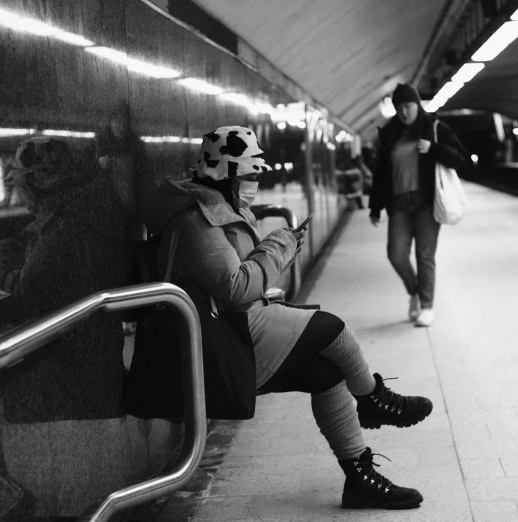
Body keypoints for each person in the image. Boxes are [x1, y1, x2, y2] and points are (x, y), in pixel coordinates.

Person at [145, 126, 434, 510]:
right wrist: (279, 245)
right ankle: (375, 399)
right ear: (225, 174)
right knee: (332, 329)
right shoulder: (196, 222)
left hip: (235, 331)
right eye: (248, 176)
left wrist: (279, 249)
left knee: (326, 374)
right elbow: (235, 287)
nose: (254, 185)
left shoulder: (221, 210)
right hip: (219, 346)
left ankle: (359, 480)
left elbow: (238, 280)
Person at [0, 136, 126, 421]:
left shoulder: (64, 223)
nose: (22, 197)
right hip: (94, 357)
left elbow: (30, 289)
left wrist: (3, 261)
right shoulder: (90, 208)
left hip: (68, 368)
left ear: (39, 183)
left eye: (22, 185)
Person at [369, 84, 467, 327]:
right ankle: (413, 290)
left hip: (426, 203)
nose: (404, 112)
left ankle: (426, 306)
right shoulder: (389, 135)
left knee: (425, 256)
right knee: (396, 254)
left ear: (417, 105)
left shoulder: (434, 128)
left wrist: (434, 149)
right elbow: (381, 173)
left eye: (408, 106)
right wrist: (375, 206)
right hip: (399, 205)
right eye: (399, 108)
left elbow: (460, 158)